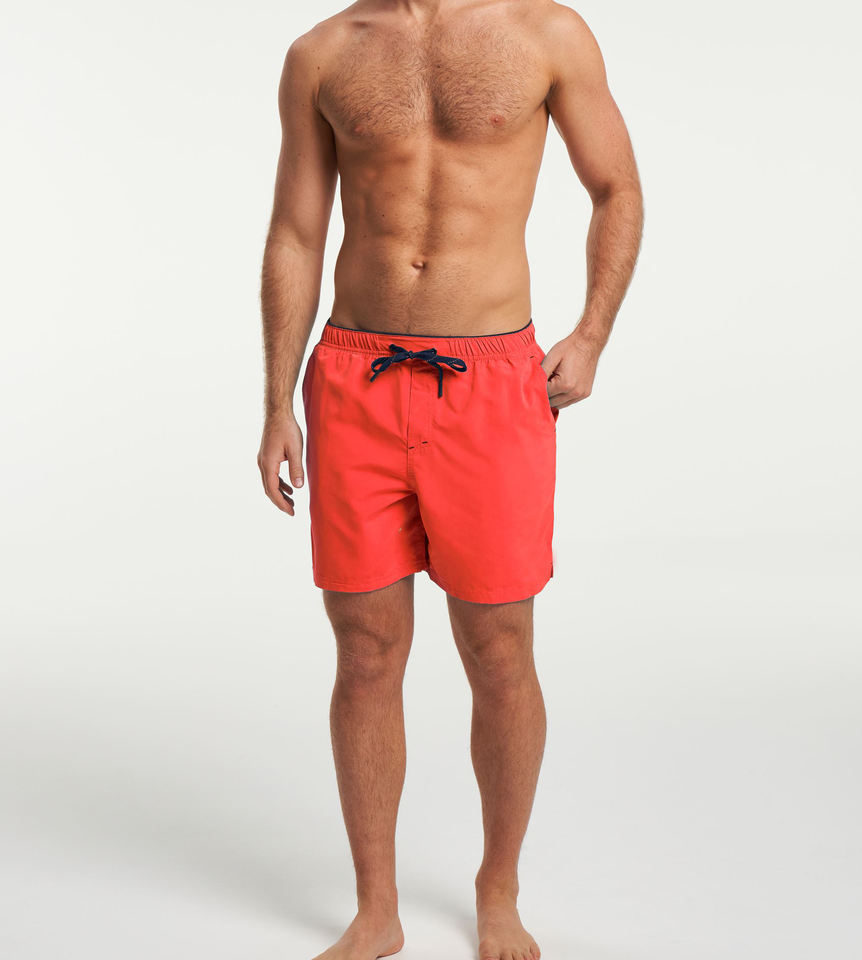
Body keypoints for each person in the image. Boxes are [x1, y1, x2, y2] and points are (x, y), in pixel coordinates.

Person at [257, 0, 643, 957]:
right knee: (365, 649)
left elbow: (617, 188)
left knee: (499, 647)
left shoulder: (546, 34)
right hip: (354, 378)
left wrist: (592, 334)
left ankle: (497, 889)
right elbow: (296, 232)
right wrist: (276, 402)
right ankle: (376, 909)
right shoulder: (321, 54)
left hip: (493, 381)